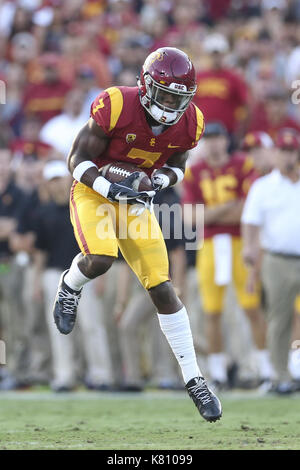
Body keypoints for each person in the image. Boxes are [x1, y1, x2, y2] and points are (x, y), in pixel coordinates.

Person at [51, 47, 222, 422]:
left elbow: (178, 166)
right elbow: (76, 159)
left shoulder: (191, 122)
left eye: (179, 97)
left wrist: (161, 179)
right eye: (165, 95)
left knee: (163, 286)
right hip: (94, 190)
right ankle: (70, 285)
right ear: (145, 86)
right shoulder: (116, 104)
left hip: (136, 201)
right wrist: (110, 188)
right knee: (101, 258)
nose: (171, 104)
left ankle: (194, 379)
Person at [182, 122, 273, 390]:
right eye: (208, 138)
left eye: (217, 137)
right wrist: (228, 207)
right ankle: (218, 373)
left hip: (240, 241)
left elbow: (248, 210)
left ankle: (266, 370)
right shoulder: (195, 171)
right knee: (212, 311)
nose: (213, 143)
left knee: (251, 306)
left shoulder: (243, 165)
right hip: (209, 245)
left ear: (226, 140)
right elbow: (190, 219)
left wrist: (210, 214)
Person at [33, 160, 113, 391]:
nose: (57, 185)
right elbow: (40, 251)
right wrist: (37, 281)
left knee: (92, 325)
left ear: (69, 179)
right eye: (52, 181)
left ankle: (100, 375)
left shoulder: (83, 205)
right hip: (54, 274)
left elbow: (101, 245)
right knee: (58, 326)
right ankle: (65, 376)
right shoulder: (43, 213)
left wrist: (102, 278)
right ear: (47, 184)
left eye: (60, 179)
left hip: (86, 274)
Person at [242, 128, 300, 394]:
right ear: (276, 153)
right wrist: (250, 255)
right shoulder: (263, 186)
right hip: (277, 259)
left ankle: (293, 369)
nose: (288, 155)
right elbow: (251, 224)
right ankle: (280, 375)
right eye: (284, 150)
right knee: (279, 317)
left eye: (292, 150)